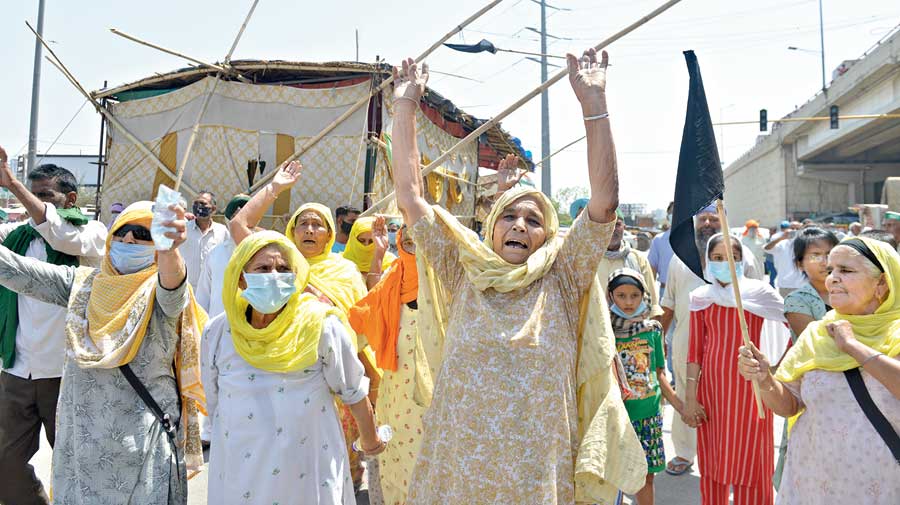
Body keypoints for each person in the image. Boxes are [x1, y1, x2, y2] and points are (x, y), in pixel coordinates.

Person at [391, 51, 646, 504]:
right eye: (509, 216)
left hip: (535, 472)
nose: (520, 226)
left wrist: (594, 103)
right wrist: (406, 104)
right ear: (491, 229)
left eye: (533, 219)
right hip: (460, 466)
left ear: (548, 234)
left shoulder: (562, 279)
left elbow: (604, 203)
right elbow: (411, 197)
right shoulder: (462, 271)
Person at [0, 200, 206, 503]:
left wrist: (169, 250)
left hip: (143, 446)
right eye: (122, 232)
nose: (129, 240)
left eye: (142, 233)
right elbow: (18, 272)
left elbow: (173, 289)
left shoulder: (160, 293)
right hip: (82, 450)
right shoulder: (83, 285)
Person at [202, 231, 383, 505]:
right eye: (263, 268)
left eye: (284, 269)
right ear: (241, 278)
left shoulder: (321, 326)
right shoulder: (218, 332)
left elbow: (353, 391)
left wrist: (370, 443)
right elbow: (215, 402)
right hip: (242, 469)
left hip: (308, 469)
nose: (275, 275)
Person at [228, 167, 378, 491]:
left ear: (329, 234)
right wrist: (275, 188)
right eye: (303, 223)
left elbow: (360, 327)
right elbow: (238, 225)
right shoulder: (278, 264)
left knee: (338, 465)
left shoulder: (346, 271)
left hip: (337, 376)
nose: (310, 230)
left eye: (318, 224)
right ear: (292, 232)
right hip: (286, 374)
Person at [738, 237, 900, 504]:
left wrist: (852, 347)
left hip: (880, 485)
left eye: (846, 271)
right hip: (810, 483)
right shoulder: (817, 333)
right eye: (831, 270)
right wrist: (764, 377)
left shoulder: (894, 331)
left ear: (882, 283)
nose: (833, 278)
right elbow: (789, 406)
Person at [0, 147, 107, 505]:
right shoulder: (17, 237)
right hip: (17, 370)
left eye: (44, 195)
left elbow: (60, 234)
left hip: (67, 372)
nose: (34, 202)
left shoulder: (90, 234)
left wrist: (13, 185)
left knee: (77, 465)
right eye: (33, 193)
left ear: (70, 198)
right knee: (5, 466)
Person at [660, 207, 764, 477]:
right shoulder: (680, 259)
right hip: (685, 341)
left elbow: (758, 301)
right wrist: (660, 336)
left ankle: (729, 458)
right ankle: (684, 453)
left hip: (730, 344)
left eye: (714, 218)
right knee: (686, 393)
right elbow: (668, 303)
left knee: (729, 400)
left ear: (725, 222)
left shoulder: (745, 258)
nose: (707, 223)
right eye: (702, 218)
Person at [684, 233, 785, 505]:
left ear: (742, 260)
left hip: (753, 391)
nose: (724, 263)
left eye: (732, 257)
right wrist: (691, 398)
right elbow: (695, 352)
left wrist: (771, 374)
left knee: (753, 462)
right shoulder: (701, 297)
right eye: (717, 258)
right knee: (714, 461)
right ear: (708, 260)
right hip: (713, 392)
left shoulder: (761, 295)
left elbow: (785, 337)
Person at [348, 227, 424, 505]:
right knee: (394, 464)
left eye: (422, 240)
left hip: (432, 403)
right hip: (394, 396)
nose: (414, 247)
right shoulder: (396, 276)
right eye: (408, 242)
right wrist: (379, 255)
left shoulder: (448, 284)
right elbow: (370, 312)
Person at [608, 268, 683, 505]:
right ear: (610, 296)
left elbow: (660, 373)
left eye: (634, 295)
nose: (628, 302)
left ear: (644, 296)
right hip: (618, 418)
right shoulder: (606, 332)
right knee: (613, 477)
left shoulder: (653, 330)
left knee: (646, 477)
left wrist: (680, 406)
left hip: (649, 417)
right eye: (621, 295)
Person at [772, 226, 838, 489]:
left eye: (830, 253)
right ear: (800, 263)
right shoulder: (799, 300)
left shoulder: (857, 292)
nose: (824, 261)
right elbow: (818, 345)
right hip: (814, 390)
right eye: (815, 255)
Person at [596, 210, 662, 320]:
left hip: (632, 332)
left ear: (624, 227)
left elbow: (652, 306)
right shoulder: (589, 261)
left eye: (617, 224)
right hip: (597, 330)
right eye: (607, 224)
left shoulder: (638, 259)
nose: (612, 229)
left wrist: (655, 334)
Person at [196, 194, 251, 318]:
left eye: (246, 217)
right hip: (218, 330)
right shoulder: (216, 254)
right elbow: (203, 297)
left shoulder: (265, 251)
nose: (240, 223)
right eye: (236, 218)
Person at [182, 190, 230, 289]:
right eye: (196, 203)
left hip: (211, 290)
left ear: (213, 209)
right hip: (186, 290)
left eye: (203, 203)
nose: (198, 206)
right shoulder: (183, 229)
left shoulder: (222, 231)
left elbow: (228, 258)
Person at [342, 216, 396, 290]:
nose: (366, 245)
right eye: (361, 241)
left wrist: (379, 250)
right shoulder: (341, 263)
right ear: (353, 239)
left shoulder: (391, 263)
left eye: (371, 242)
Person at [764, 220, 804, 296]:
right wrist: (782, 237)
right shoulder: (782, 243)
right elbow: (767, 248)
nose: (795, 231)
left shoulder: (806, 243)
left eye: (797, 229)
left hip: (802, 284)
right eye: (792, 228)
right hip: (785, 284)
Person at [648, 202, 675, 296]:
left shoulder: (694, 239)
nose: (676, 214)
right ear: (668, 217)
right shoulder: (658, 240)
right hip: (665, 292)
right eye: (673, 212)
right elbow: (651, 271)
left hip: (688, 291)